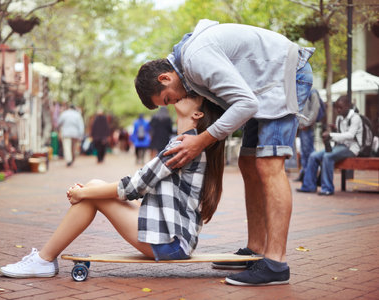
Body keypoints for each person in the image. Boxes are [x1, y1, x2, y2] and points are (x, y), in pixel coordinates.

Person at [134, 19, 314, 286]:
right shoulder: (188, 61)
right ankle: (255, 251)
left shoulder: (196, 59)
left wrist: (202, 141)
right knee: (247, 163)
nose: (175, 103)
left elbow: (246, 103)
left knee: (268, 165)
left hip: (284, 75)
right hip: (262, 86)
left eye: (168, 99)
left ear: (165, 78)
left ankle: (275, 263)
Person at [0, 96, 226, 278]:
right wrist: (87, 191)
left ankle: (44, 259)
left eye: (190, 95)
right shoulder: (188, 141)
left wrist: (82, 193)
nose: (182, 95)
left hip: (170, 242)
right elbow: (140, 186)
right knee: (94, 187)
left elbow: (135, 185)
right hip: (173, 236)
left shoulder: (183, 145)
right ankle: (44, 259)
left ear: (198, 114)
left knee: (92, 192)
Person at [297, 96, 362, 196]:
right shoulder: (339, 118)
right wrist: (332, 131)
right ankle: (308, 186)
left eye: (341, 107)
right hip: (340, 146)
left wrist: (331, 135)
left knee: (327, 157)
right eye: (337, 108)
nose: (338, 110)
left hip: (351, 148)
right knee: (313, 156)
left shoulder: (355, 118)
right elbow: (340, 135)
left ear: (348, 106)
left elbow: (350, 135)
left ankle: (327, 188)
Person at [295, 88, 322, 182]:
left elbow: (315, 109)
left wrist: (307, 123)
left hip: (307, 128)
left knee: (309, 152)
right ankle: (305, 176)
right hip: (302, 127)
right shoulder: (300, 91)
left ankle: (311, 178)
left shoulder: (312, 92)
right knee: (304, 152)